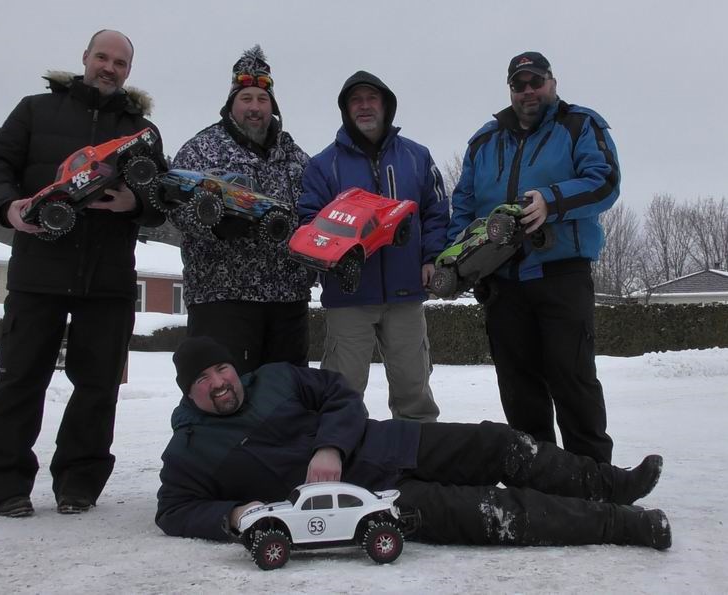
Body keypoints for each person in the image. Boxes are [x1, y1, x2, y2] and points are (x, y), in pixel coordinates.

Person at [154, 337, 671, 550]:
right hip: (366, 504)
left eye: (222, 367)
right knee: (494, 511)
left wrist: (329, 447)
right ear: (187, 390)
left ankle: (613, 485)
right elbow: (173, 510)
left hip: (389, 442)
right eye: (203, 379)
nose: (220, 381)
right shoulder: (189, 451)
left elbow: (339, 393)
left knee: (501, 443)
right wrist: (233, 516)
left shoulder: (273, 378)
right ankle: (624, 525)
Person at [0, 29, 166, 517]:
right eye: (102, 57)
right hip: (39, 271)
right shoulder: (35, 111)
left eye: (120, 62)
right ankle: (6, 485)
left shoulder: (142, 130)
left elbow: (161, 200)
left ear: (128, 71)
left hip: (108, 280)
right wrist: (7, 206)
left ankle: (79, 483)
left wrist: (135, 202)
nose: (110, 67)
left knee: (98, 385)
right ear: (85, 58)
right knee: (20, 378)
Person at [449, 51, 621, 463]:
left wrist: (552, 201)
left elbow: (605, 182)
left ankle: (593, 481)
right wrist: (462, 258)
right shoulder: (484, 140)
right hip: (502, 282)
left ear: (552, 83)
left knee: (573, 379)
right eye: (518, 84)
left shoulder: (581, 125)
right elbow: (463, 205)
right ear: (510, 90)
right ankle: (538, 482)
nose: (528, 91)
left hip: (561, 273)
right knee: (519, 388)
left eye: (535, 82)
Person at [298, 71, 448, 422]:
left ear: (386, 106)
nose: (364, 106)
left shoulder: (417, 156)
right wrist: (334, 257)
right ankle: (342, 458)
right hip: (349, 297)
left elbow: (438, 212)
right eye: (356, 100)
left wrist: (431, 257)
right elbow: (309, 221)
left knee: (415, 390)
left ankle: (418, 460)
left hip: (406, 293)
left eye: (372, 99)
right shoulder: (322, 165)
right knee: (342, 391)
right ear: (345, 109)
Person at [169, 45, 311, 376]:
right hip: (221, 298)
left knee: (287, 397)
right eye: (246, 98)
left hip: (287, 300)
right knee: (226, 397)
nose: (255, 108)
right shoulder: (202, 149)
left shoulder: (296, 156)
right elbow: (173, 204)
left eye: (262, 100)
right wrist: (213, 223)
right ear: (231, 103)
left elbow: (313, 212)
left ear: (272, 107)